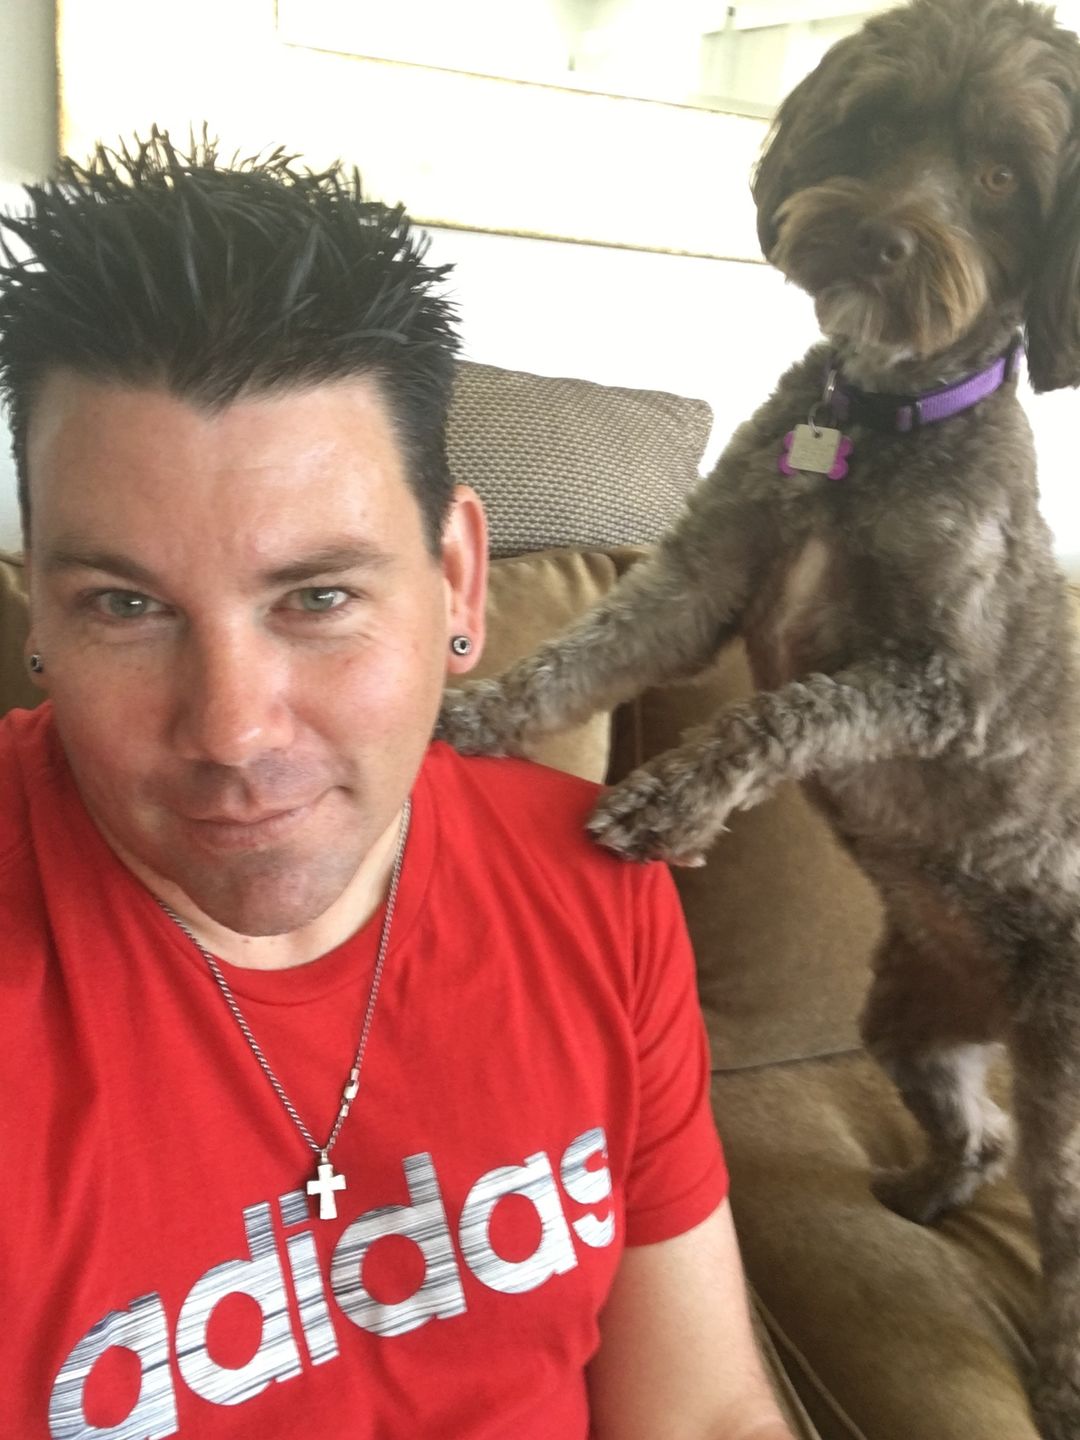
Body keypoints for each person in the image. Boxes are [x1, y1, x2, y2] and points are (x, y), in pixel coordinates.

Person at [0, 131, 797, 1440]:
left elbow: (703, 1410)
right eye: (126, 606)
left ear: (458, 581)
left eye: (318, 598)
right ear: (40, 605)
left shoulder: (597, 886)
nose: (233, 731)